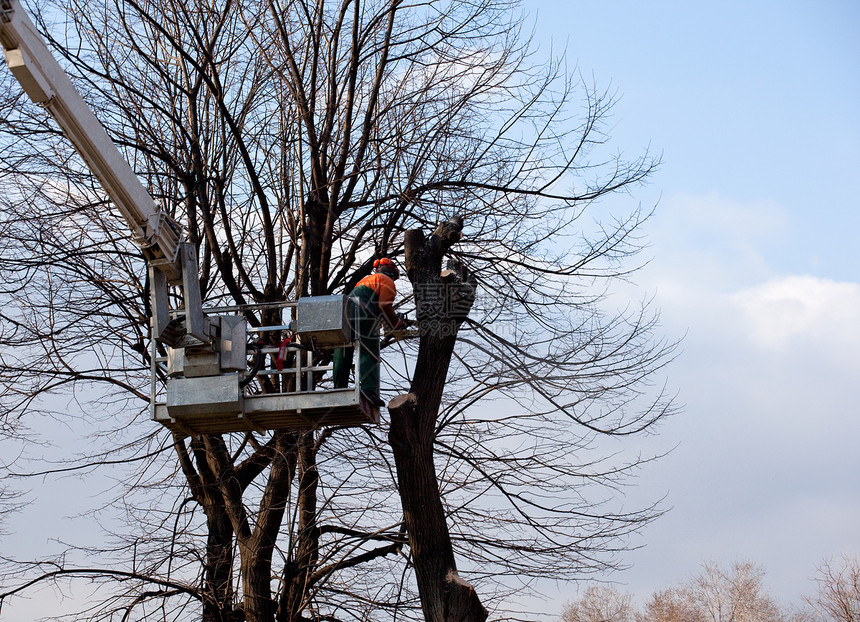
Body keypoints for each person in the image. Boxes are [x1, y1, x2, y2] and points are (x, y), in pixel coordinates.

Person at [332, 258, 406, 407]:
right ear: (392, 273)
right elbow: (384, 305)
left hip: (345, 313)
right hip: (363, 314)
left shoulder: (365, 281)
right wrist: (396, 323)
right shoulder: (386, 280)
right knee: (369, 350)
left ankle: (339, 388)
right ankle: (368, 390)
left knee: (343, 348)